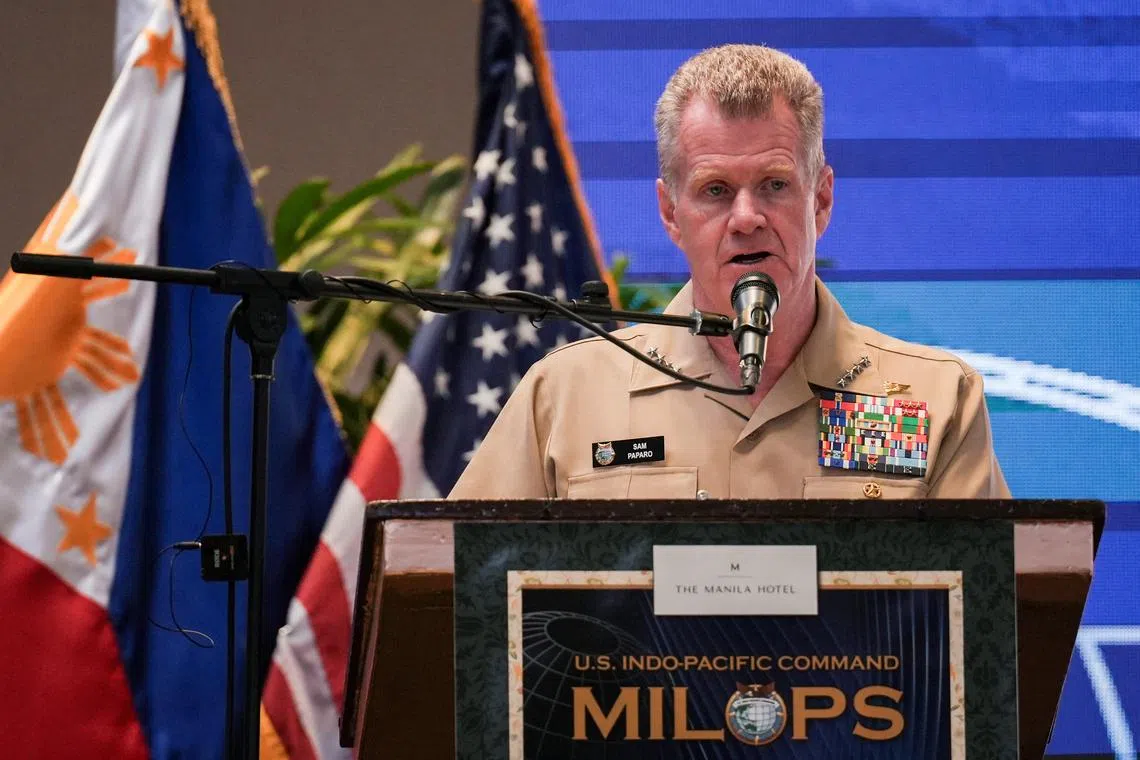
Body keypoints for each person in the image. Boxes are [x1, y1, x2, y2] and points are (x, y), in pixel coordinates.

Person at [449, 44, 1009, 501]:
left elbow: (989, 599)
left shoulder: (935, 401)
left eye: (774, 185)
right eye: (715, 190)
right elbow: (459, 586)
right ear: (671, 212)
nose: (746, 218)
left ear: (820, 199)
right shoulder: (565, 396)